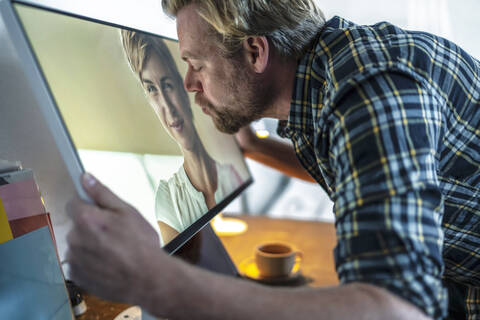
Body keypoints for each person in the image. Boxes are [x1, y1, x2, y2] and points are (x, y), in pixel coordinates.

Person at [66, 1, 480, 319]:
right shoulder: (332, 76)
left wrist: (150, 277)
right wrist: (260, 149)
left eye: (195, 64)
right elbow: (358, 164)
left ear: (254, 51)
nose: (190, 83)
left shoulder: (370, 95)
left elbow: (396, 310)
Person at [120, 30, 243, 244]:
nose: (167, 106)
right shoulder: (168, 200)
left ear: (184, 88)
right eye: (152, 89)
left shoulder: (231, 174)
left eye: (168, 85)